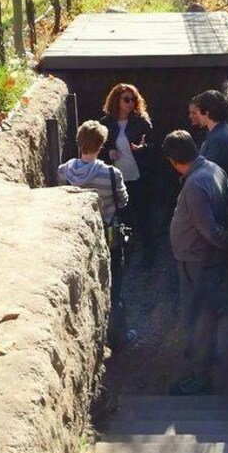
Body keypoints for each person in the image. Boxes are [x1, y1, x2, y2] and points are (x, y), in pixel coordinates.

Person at [163, 130, 228, 396]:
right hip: (203, 260)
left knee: (199, 316)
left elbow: (211, 231)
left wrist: (227, 242)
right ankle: (207, 354)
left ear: (172, 160)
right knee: (204, 312)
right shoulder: (213, 169)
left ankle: (201, 377)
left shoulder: (194, 186)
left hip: (198, 262)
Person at [58, 120, 134, 350]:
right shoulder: (111, 173)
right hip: (108, 238)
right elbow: (123, 201)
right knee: (115, 287)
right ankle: (118, 338)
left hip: (77, 239)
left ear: (79, 142)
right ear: (101, 145)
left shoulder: (64, 171)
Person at [99, 83, 155, 258]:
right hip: (117, 178)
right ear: (117, 101)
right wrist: (109, 152)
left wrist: (142, 148)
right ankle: (124, 255)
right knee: (121, 216)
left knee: (142, 215)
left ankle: (148, 255)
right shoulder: (105, 123)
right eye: (126, 99)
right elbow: (99, 147)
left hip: (138, 176)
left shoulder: (141, 122)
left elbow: (154, 147)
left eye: (133, 99)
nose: (131, 103)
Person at [190, 89, 228, 184]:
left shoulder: (219, 138)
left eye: (197, 112)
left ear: (206, 113)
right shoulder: (218, 131)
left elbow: (208, 173)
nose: (197, 116)